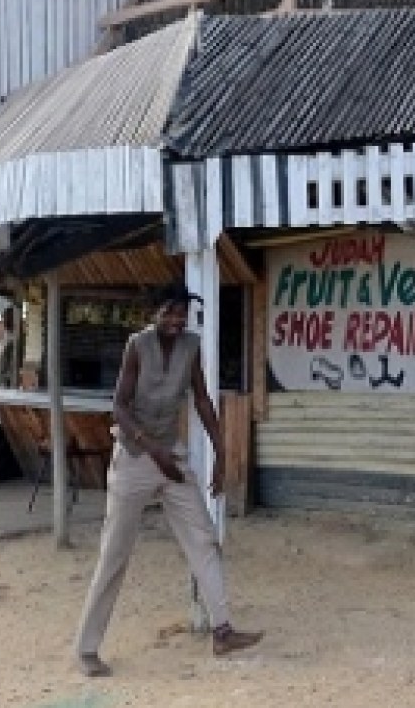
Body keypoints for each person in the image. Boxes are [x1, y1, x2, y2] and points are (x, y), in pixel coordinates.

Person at [74, 286, 262, 677]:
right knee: (115, 554)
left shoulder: (190, 346)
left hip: (171, 456)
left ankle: (222, 631)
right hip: (135, 457)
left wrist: (222, 450)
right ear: (154, 312)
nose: (176, 321)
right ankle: (87, 649)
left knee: (204, 538)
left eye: (182, 315)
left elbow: (202, 399)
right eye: (169, 314)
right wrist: (150, 449)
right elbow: (119, 406)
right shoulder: (136, 346)